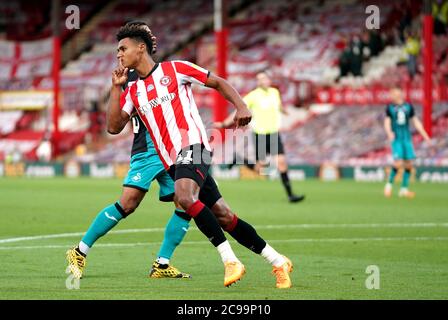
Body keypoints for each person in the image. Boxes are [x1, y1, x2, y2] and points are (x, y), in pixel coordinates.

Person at [109, 24, 293, 288]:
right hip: (172, 160)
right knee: (224, 216)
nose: (119, 55)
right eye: (118, 51)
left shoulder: (176, 69)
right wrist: (116, 88)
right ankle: (277, 261)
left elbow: (217, 81)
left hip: (195, 146)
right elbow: (113, 127)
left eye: (123, 48)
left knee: (184, 197)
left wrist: (241, 105)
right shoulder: (133, 90)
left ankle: (230, 260)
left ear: (141, 48)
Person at [215, 72, 305, 203]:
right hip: (260, 135)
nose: (262, 81)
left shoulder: (275, 92)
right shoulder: (253, 95)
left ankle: (291, 195)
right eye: (259, 79)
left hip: (274, 134)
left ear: (269, 80)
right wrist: (224, 123)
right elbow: (239, 110)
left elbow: (279, 106)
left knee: (281, 163)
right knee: (261, 170)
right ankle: (240, 159)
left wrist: (286, 112)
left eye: (264, 78)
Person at [383, 87, 431, 198]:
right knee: (398, 162)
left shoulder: (408, 107)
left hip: (407, 139)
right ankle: (389, 185)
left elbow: (416, 122)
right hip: (397, 139)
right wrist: (389, 132)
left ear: (400, 94)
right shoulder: (390, 108)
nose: (392, 96)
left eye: (393, 93)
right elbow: (387, 122)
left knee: (409, 164)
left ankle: (404, 189)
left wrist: (425, 136)